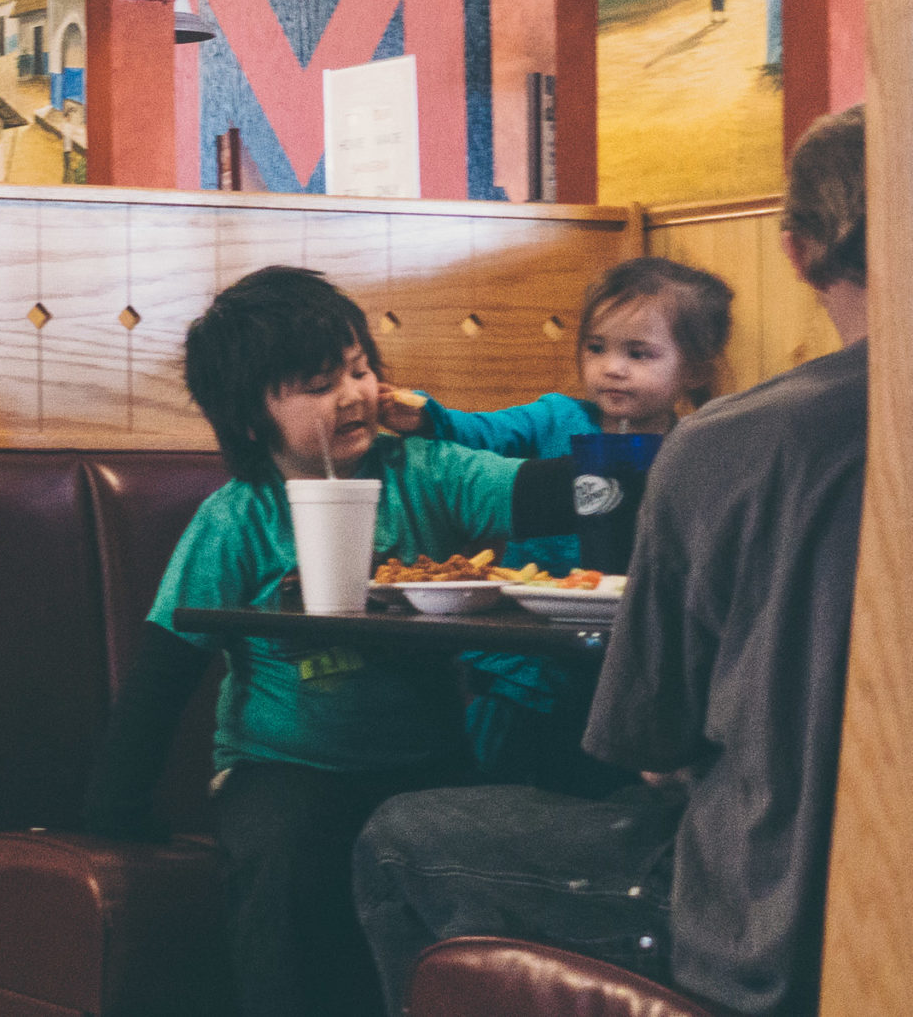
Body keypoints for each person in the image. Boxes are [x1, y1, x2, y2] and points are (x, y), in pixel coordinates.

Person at [355, 108, 869, 1015]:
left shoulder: (721, 446)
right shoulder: (597, 430)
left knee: (400, 836)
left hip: (768, 921)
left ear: (793, 250)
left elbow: (651, 740)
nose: (612, 370)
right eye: (601, 347)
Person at [81, 265, 580, 1017]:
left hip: (430, 762)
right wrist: (115, 809)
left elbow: (536, 491)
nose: (354, 393)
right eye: (319, 383)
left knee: (501, 850)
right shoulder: (239, 516)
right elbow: (166, 665)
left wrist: (639, 468)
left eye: (359, 368)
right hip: (285, 767)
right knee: (286, 864)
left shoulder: (425, 471)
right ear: (253, 419)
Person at [376, 257, 735, 792]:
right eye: (597, 347)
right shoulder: (554, 418)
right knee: (505, 789)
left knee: (613, 793)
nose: (612, 367)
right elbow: (483, 432)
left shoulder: (695, 446)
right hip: (527, 659)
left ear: (695, 369)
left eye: (639, 354)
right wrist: (428, 417)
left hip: (629, 658)